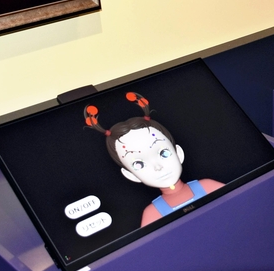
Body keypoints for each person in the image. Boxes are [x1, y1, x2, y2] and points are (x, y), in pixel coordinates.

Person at [84, 92, 223, 227]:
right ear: (131, 175)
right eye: (139, 164)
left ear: (178, 153)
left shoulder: (208, 186)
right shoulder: (152, 214)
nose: (157, 167)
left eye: (164, 153)